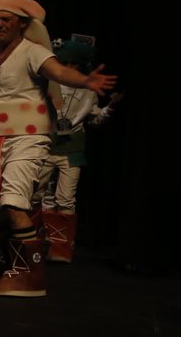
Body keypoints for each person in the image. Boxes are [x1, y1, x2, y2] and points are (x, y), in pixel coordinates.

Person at [0, 0, 117, 297]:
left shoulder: (33, 52)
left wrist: (84, 81)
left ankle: (32, 274)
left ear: (22, 24)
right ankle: (8, 261)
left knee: (14, 201)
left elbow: (58, 72)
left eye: (6, 19)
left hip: (28, 137)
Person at [33, 36, 121, 263]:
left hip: (72, 151)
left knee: (66, 198)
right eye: (68, 63)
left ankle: (61, 246)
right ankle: (39, 240)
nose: (72, 68)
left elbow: (95, 120)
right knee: (39, 195)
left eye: (77, 65)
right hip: (47, 146)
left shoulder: (88, 90)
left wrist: (111, 106)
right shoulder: (50, 84)